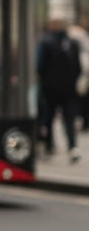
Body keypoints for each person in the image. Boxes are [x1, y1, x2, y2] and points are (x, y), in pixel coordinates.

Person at [36, 14, 83, 162]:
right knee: (69, 119)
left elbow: (40, 66)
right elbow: (78, 67)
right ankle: (72, 147)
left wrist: (44, 80)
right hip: (68, 89)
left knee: (48, 117)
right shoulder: (72, 43)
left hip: (50, 89)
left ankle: (49, 146)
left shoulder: (46, 42)